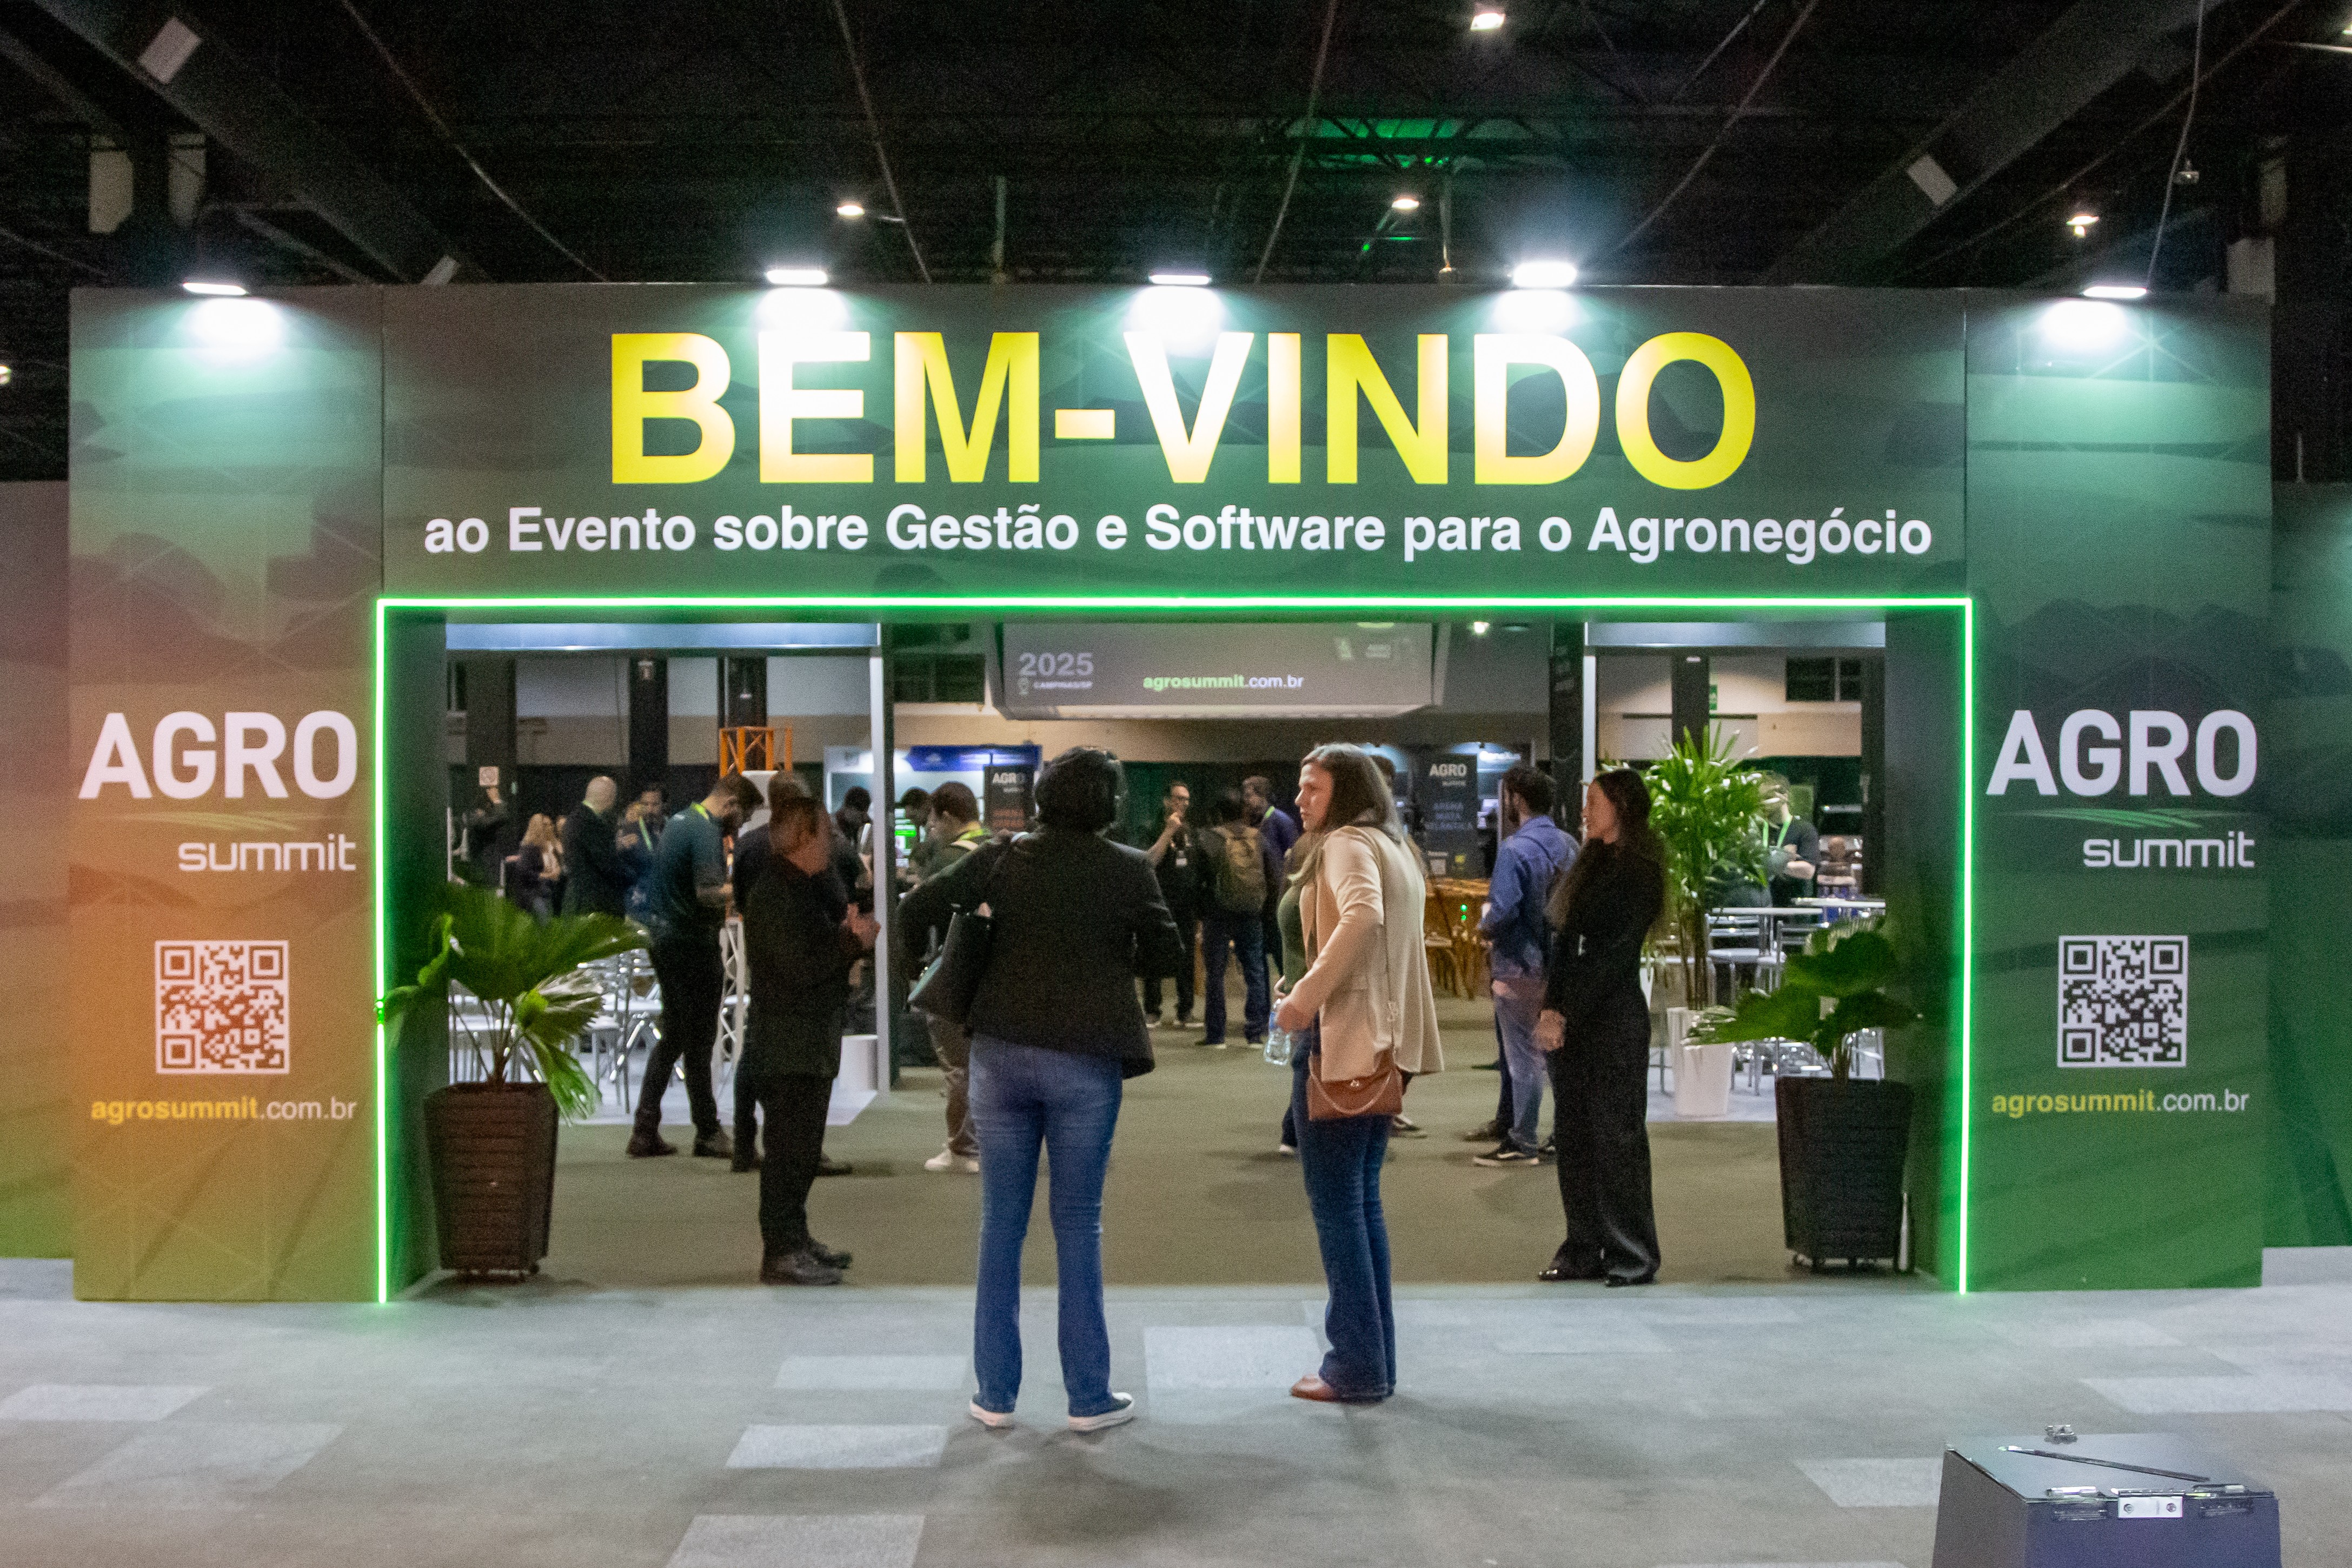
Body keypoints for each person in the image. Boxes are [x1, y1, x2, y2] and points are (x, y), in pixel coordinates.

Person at [899, 747, 1181, 1434]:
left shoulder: (1001, 857)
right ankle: (1088, 1395)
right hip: (1085, 1058)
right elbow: (1168, 955)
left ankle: (994, 1394)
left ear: (1043, 798)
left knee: (1001, 1222)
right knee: (1078, 1223)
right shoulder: (1128, 867)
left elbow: (919, 905)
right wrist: (1113, 950)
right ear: (1110, 804)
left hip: (999, 1053)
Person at [1271, 745, 1443, 1404]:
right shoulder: (1392, 843)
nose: (1301, 799)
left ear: (1344, 793)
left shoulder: (1346, 842)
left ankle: (1356, 1366)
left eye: (1313, 787)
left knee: (1340, 1206)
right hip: (1380, 1040)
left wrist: (1305, 995)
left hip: (1342, 1038)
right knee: (1361, 1202)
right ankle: (1373, 1359)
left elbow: (1362, 917)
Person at [1535, 767, 1669, 1286]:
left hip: (1614, 1020)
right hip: (1573, 1021)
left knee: (1617, 1138)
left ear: (1622, 808)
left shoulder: (1642, 872)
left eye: (1594, 802)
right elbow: (1566, 947)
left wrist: (1564, 1012)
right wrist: (1551, 1008)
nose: (1585, 811)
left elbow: (1615, 956)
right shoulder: (1587, 865)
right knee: (1574, 1136)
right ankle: (1583, 1248)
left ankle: (1632, 1253)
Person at [739, 790, 879, 1285]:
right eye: (826, 833)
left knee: (801, 1150)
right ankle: (781, 1250)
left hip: (805, 1039)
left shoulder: (804, 886)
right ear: (803, 837)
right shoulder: (777, 894)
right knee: (787, 1153)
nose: (833, 842)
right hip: (788, 1042)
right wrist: (853, 944)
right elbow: (800, 969)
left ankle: (795, 1238)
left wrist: (847, 938)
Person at [629, 772, 762, 1160]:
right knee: (698, 1039)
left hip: (667, 940)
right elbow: (707, 893)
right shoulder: (705, 831)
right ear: (731, 804)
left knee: (677, 1035)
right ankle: (705, 1131)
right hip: (691, 944)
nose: (742, 825)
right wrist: (749, 889)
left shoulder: (679, 821)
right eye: (744, 815)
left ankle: (647, 1129)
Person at [1472, 765, 1574, 1167]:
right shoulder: (1570, 845)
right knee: (1558, 1056)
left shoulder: (1514, 849)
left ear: (1516, 799)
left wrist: (1483, 925)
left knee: (1523, 1057)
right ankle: (1562, 1136)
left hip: (1519, 967)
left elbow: (1501, 912)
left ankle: (1522, 1141)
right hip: (1562, 969)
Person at [906, 781, 991, 1173]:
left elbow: (915, 913)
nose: (930, 830)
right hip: (996, 975)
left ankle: (963, 1149)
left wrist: (912, 968)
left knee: (958, 1065)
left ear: (949, 817)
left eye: (933, 822)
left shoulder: (949, 860)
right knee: (989, 1064)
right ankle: (989, 1142)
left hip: (956, 973)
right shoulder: (1000, 848)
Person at [1195, 789, 1279, 1048]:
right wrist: (1265, 911)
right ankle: (1255, 1033)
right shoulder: (1259, 837)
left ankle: (1216, 1035)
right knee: (1255, 971)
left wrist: (1201, 914)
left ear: (1219, 813)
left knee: (1215, 974)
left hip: (1218, 914)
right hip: (1251, 914)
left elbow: (1198, 881)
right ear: (1243, 811)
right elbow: (1273, 877)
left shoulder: (1209, 838)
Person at [1138, 782, 1199, 1028]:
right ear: (1166, 801)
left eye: (1186, 799)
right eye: (1178, 798)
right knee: (1153, 954)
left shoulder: (1190, 831)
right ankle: (1152, 1010)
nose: (1183, 804)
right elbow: (1149, 862)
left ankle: (1185, 1012)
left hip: (1186, 904)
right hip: (1158, 902)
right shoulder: (1150, 828)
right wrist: (1168, 831)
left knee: (1187, 957)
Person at [1243, 774, 1299, 967]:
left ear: (1262, 795)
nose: (1245, 800)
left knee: (1280, 952)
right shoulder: (1250, 823)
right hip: (1258, 899)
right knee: (1258, 958)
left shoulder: (1281, 821)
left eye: (1249, 795)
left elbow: (1295, 858)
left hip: (1278, 899)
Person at [561, 775, 634, 918]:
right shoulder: (592, 824)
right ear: (609, 797)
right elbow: (608, 865)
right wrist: (632, 876)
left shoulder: (574, 819)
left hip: (578, 903)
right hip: (595, 907)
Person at [1763, 783, 1821, 907]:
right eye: (1762, 797)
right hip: (1763, 906)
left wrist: (1768, 864)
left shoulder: (1804, 829)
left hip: (1795, 907)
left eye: (1769, 796)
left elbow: (1808, 871)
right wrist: (1782, 859)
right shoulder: (1757, 828)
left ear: (1785, 796)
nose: (1765, 802)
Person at [505, 813, 563, 919]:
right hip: (533, 890)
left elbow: (560, 865)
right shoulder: (529, 848)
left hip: (550, 886)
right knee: (544, 915)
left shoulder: (552, 847)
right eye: (546, 825)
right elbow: (524, 872)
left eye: (551, 825)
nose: (550, 828)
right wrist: (546, 876)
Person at [460, 779, 512, 886]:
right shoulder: (475, 811)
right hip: (484, 863)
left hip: (495, 857)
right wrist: (495, 802)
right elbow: (489, 822)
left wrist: (496, 802)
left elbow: (502, 818)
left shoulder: (497, 808)